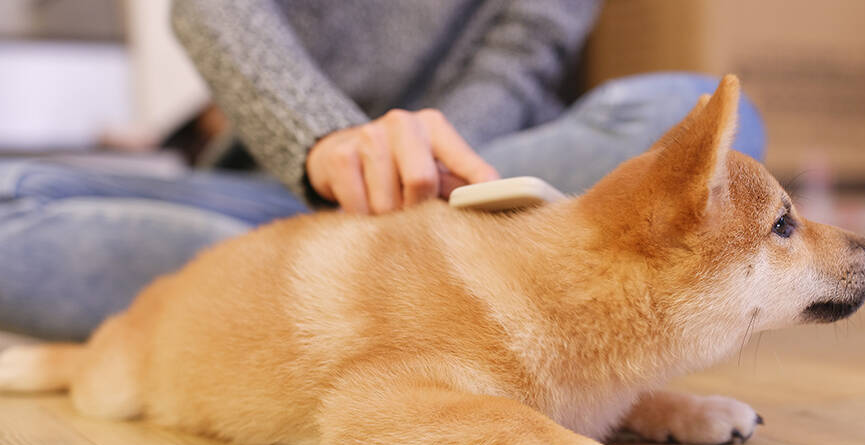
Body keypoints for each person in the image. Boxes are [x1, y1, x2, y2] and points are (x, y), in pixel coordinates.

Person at [0, 0, 765, 341]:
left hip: (461, 192)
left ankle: (265, 277)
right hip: (268, 177)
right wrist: (323, 140)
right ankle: (302, 251)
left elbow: (523, 51)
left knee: (695, 118)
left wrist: (430, 169)